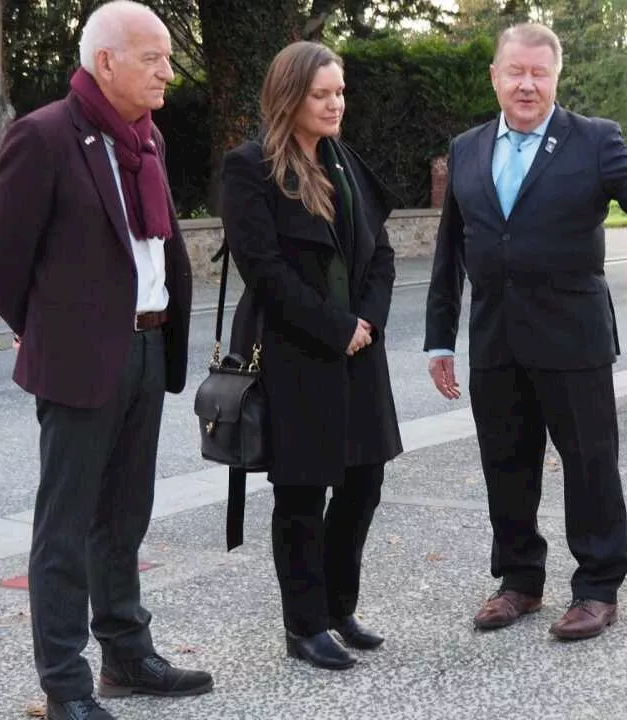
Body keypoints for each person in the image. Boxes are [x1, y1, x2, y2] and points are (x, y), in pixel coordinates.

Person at [0, 2, 212, 718]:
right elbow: (2, 260)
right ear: (105, 61)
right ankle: (66, 686)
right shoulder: (45, 136)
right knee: (67, 528)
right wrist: (43, 330)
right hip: (82, 359)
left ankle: (127, 655)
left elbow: (155, 247)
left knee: (125, 517)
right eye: (155, 58)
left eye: (169, 58)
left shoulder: (149, 139)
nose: (169, 71)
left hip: (147, 345)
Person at [424, 22, 627, 642]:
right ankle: (519, 580)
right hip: (495, 340)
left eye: (539, 73)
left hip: (573, 339)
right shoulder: (466, 148)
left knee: (590, 464)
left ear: (556, 78)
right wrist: (440, 339)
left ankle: (596, 588)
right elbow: (449, 251)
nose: (526, 84)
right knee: (505, 464)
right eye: (515, 71)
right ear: (495, 76)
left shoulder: (594, 139)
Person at [219, 40, 403, 671]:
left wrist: (366, 321)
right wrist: (334, 326)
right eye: (322, 94)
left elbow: (381, 253)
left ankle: (337, 606)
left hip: (359, 350)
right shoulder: (250, 168)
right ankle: (303, 626)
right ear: (289, 97)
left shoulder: (345, 162)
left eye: (340, 92)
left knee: (364, 483)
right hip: (297, 354)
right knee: (302, 493)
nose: (335, 104)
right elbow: (264, 271)